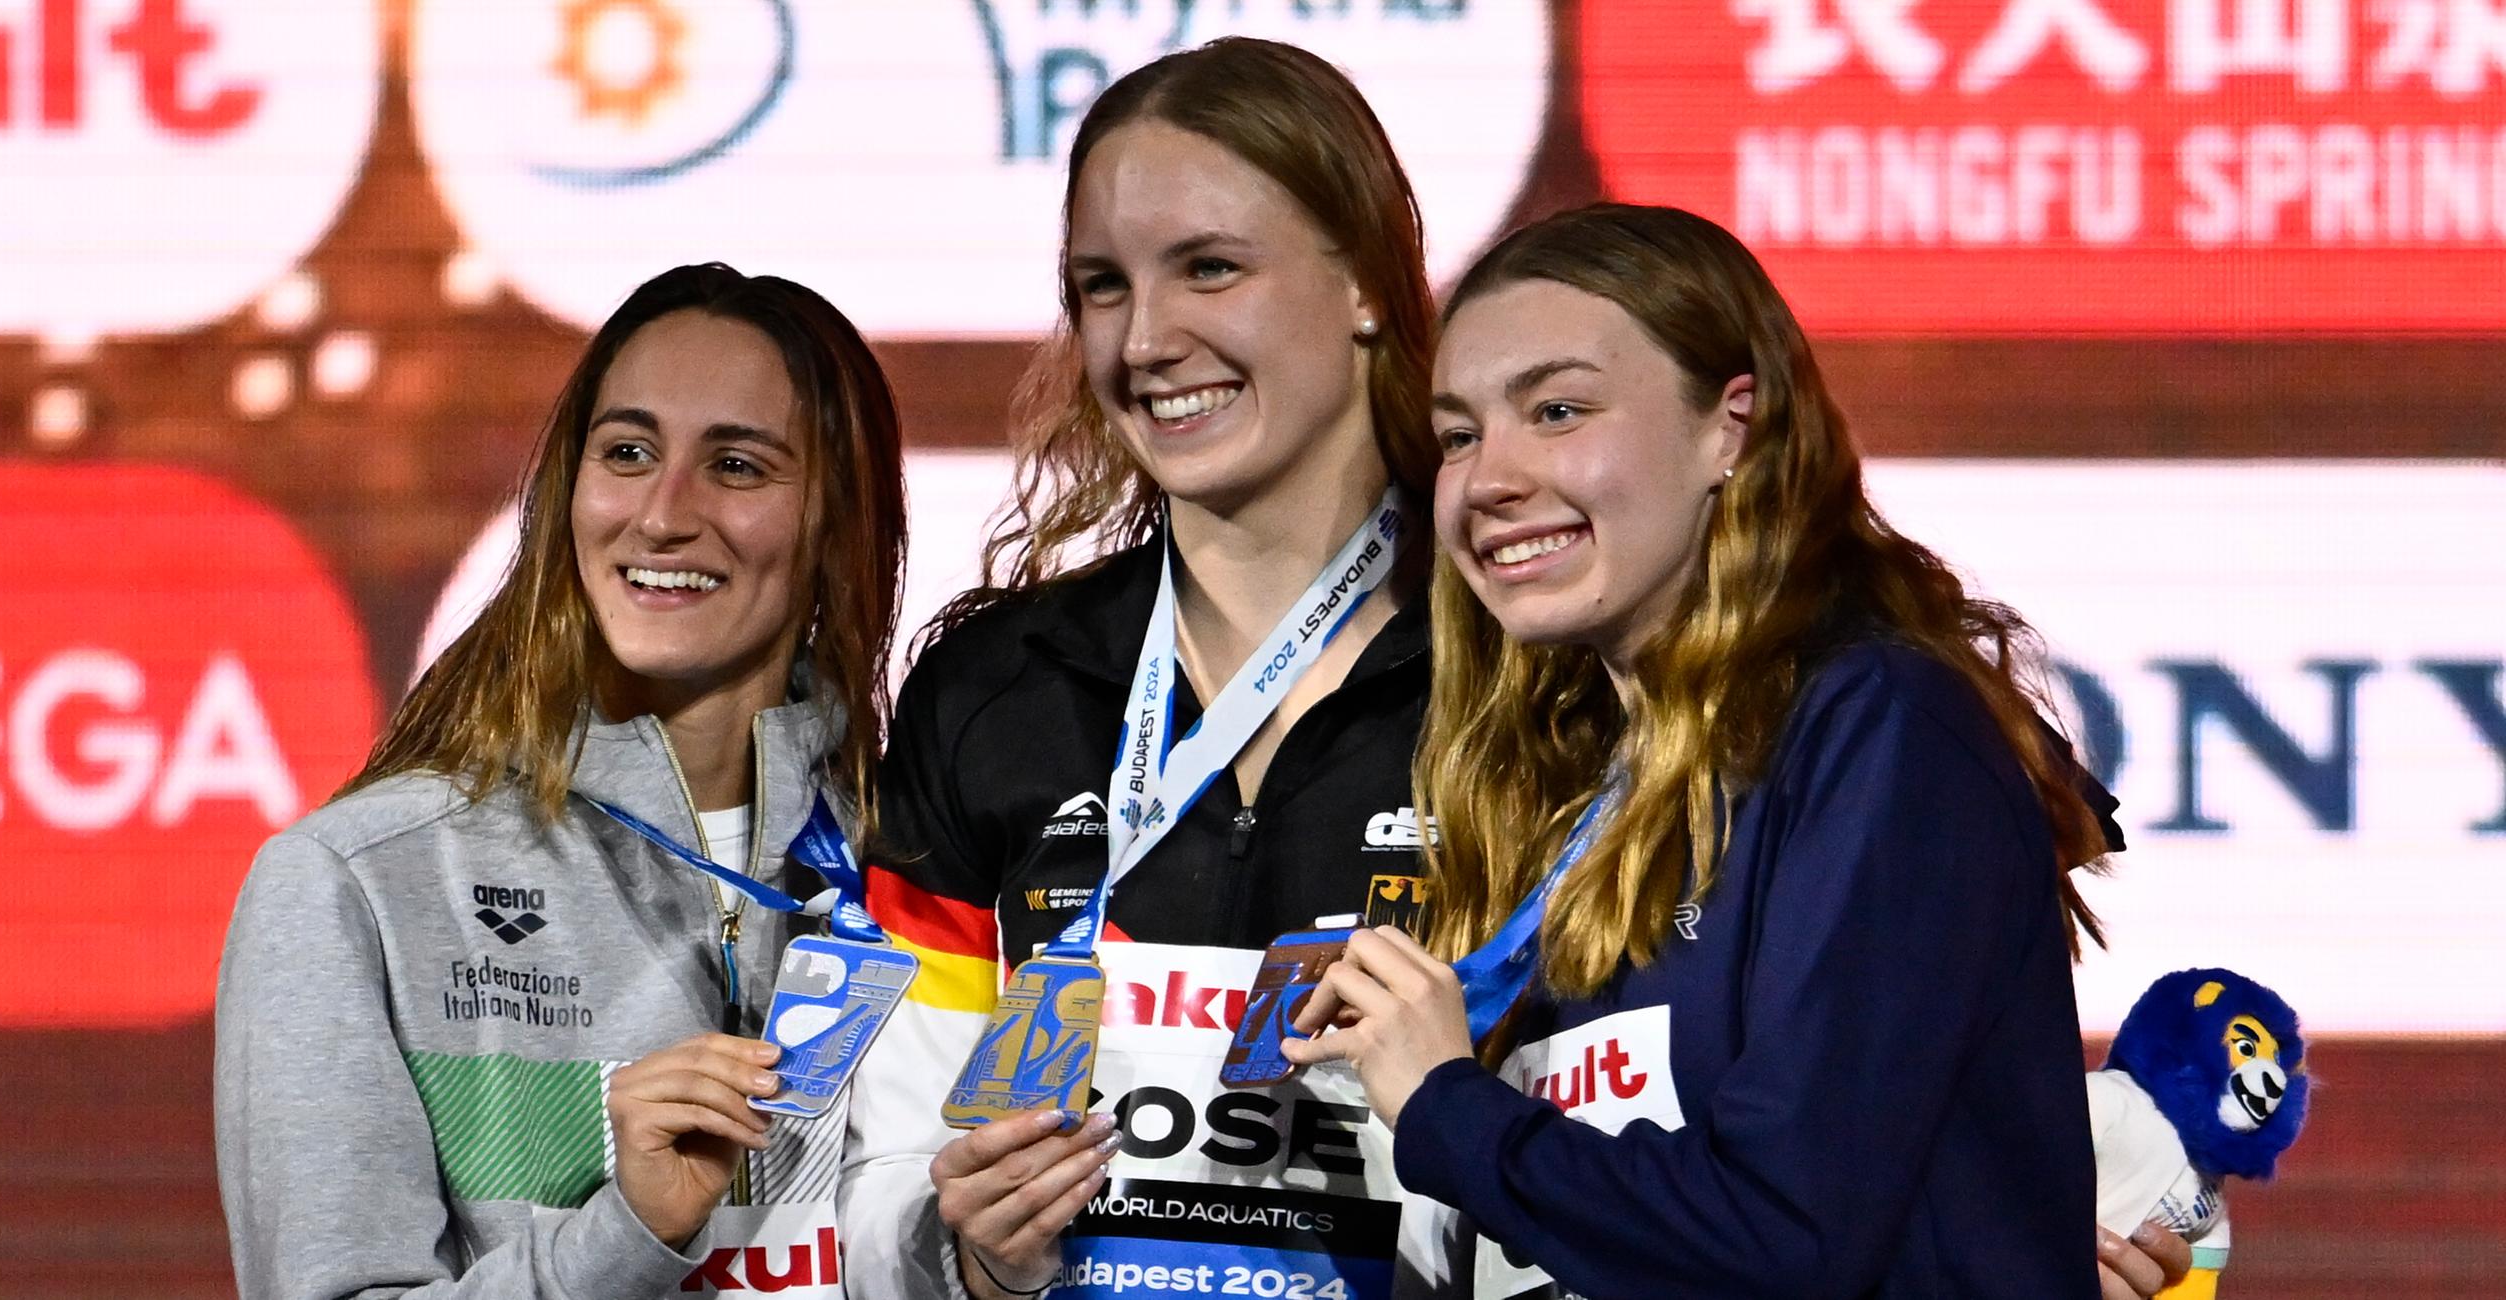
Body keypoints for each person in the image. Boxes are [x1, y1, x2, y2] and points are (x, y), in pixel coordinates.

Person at [1280, 202, 2131, 1298]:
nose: (1490, 478)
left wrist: (1446, 1101)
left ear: (1728, 427)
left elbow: (1784, 1235)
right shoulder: (1555, 785)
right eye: (1458, 434)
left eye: (1556, 409)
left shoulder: (1878, 734)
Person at [844, 37, 1442, 1300]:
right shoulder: (997, 689)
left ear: (1363, 284)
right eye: (1100, 286)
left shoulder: (1518, 674)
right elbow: (882, 1166)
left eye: (1209, 269)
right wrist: (971, 1256)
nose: (1146, 338)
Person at [214, 263, 907, 1299]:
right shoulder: (357, 882)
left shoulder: (925, 866)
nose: (663, 514)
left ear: (834, 520)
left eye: (737, 465)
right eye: (627, 452)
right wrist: (624, 1233)